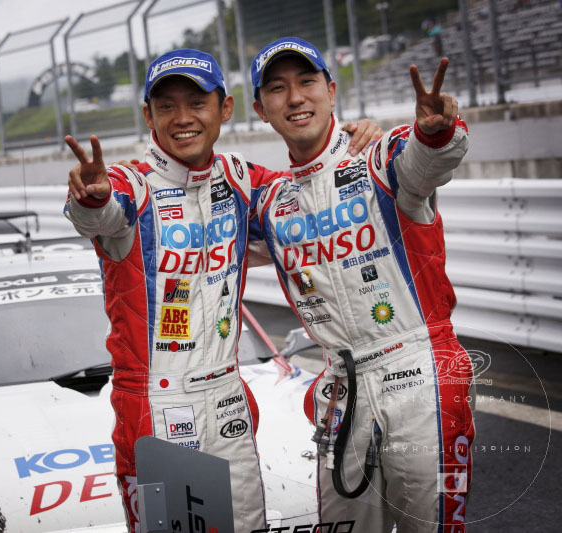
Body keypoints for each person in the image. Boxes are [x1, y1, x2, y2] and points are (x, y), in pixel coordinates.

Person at [63, 48, 381, 532]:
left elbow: (309, 190)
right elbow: (100, 215)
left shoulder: (239, 179)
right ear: (148, 116)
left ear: (224, 108)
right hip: (157, 405)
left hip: (228, 395)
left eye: (197, 103)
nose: (182, 118)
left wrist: (351, 142)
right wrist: (90, 198)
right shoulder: (129, 184)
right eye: (166, 106)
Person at [249, 37, 475, 531]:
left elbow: (430, 158)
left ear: (331, 91)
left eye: (307, 81)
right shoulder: (270, 203)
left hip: (420, 376)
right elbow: (207, 239)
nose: (295, 97)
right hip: (341, 391)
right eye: (277, 88)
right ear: (260, 109)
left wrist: (437, 131)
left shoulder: (381, 158)